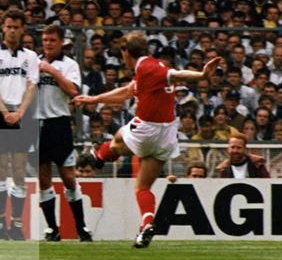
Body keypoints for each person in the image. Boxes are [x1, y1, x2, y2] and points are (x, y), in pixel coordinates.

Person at [74, 32, 223, 248]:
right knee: (142, 187)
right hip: (167, 133)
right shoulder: (146, 71)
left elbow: (174, 74)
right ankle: (146, 224)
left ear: (126, 52)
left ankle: (98, 157)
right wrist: (95, 99)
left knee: (117, 139)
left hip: (148, 128)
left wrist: (201, 76)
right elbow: (126, 91)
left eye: (122, 53)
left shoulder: (148, 67)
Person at [0, 8, 39, 240]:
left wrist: (20, 112)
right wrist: (6, 112)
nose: (12, 31)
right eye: (8, 26)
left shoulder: (31, 57)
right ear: (2, 27)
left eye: (16, 27)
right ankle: (1, 223)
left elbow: (31, 85)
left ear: (22, 29)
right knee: (1, 168)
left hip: (22, 115)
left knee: (19, 169)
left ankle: (16, 223)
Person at [36, 24, 92, 242]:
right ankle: (52, 228)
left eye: (52, 40)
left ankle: (82, 227)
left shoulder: (69, 65)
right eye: (45, 40)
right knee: (43, 178)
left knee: (68, 177)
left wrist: (51, 70)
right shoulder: (33, 62)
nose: (48, 44)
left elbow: (73, 91)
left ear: (61, 42)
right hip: (36, 123)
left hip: (59, 123)